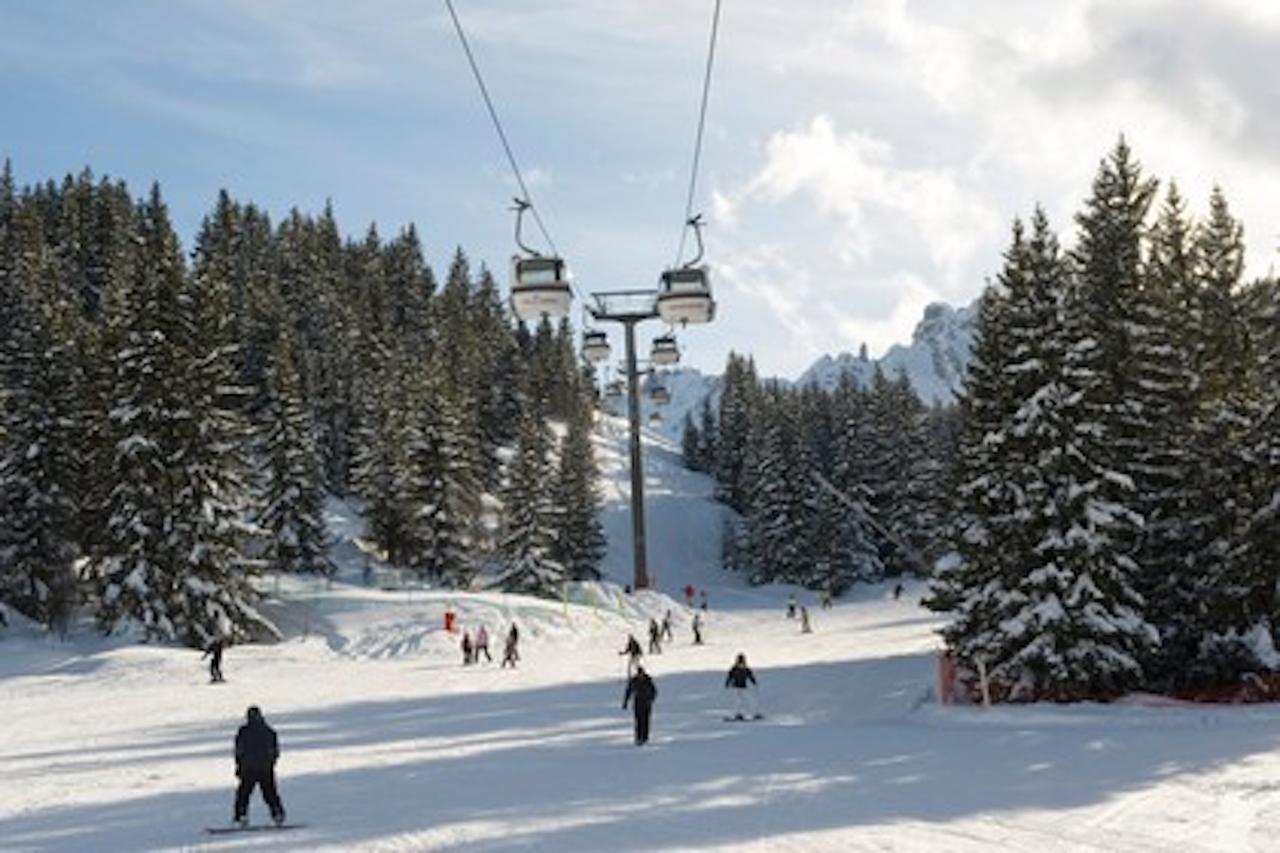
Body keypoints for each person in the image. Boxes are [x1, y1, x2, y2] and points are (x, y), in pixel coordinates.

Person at [233, 706, 286, 828]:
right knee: (269, 793)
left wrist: (239, 766)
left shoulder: (244, 732)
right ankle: (277, 814)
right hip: (263, 769)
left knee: (243, 795)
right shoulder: (269, 732)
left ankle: (241, 817)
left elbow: (239, 751)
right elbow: (274, 751)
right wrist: (270, 763)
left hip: (250, 769)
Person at [622, 665, 658, 745]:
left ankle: (645, 737)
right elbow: (628, 691)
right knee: (638, 721)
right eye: (639, 674)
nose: (640, 676)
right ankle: (638, 738)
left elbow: (654, 692)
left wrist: (651, 700)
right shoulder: (634, 681)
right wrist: (625, 702)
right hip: (637, 704)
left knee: (645, 721)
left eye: (641, 674)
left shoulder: (648, 681)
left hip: (646, 704)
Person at [724, 653, 759, 720]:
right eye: (739, 663)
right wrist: (727, 683)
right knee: (738, 702)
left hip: (744, 687)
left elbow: (750, 676)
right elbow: (730, 676)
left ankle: (754, 713)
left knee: (751, 700)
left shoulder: (746, 669)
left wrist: (754, 682)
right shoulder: (734, 669)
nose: (741, 665)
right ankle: (738, 714)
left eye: (742, 663)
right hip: (736, 688)